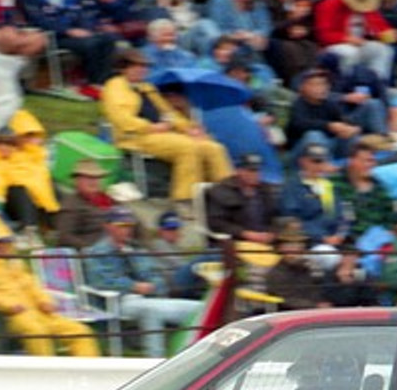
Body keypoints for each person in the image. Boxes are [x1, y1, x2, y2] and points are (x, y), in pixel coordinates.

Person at [99, 49, 233, 202]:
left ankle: (227, 194)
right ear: (124, 68)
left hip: (162, 132)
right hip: (137, 137)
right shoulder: (115, 87)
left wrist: (190, 128)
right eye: (137, 66)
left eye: (144, 66)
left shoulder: (147, 88)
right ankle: (185, 199)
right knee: (188, 148)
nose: (142, 70)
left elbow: (169, 113)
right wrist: (150, 127)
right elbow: (122, 120)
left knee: (213, 147)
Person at [0, 215, 99, 357]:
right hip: (13, 315)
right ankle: (45, 373)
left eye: (7, 241)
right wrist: (8, 305)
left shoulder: (13, 261)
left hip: (39, 311)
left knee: (80, 331)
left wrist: (45, 301)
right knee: (37, 333)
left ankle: (89, 372)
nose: (3, 245)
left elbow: (31, 283)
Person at [81, 206, 200, 358]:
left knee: (199, 308)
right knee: (152, 311)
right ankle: (155, 361)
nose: (127, 230)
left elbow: (154, 273)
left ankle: (187, 355)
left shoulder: (135, 249)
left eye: (129, 226)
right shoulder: (95, 253)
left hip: (149, 298)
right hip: (119, 301)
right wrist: (133, 286)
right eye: (121, 226)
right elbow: (100, 282)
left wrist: (154, 285)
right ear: (107, 226)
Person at [24, 0, 116, 94]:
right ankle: (94, 82)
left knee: (107, 39)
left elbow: (82, 15)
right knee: (90, 44)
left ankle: (103, 82)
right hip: (53, 36)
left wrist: (86, 29)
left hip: (77, 35)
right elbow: (38, 20)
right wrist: (67, 30)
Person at [205, 151, 282, 268]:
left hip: (267, 241)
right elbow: (215, 222)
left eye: (257, 170)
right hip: (237, 242)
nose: (255, 174)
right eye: (250, 170)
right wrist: (245, 234)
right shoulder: (221, 191)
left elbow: (276, 215)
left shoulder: (266, 190)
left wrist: (272, 233)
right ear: (239, 171)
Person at [314, 0, 396, 84]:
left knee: (384, 50)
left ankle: (378, 83)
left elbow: (381, 26)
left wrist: (390, 35)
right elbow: (323, 34)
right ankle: (348, 84)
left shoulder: (368, 7)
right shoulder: (329, 5)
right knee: (350, 53)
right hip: (334, 45)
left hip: (361, 43)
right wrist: (346, 39)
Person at [279, 143, 349, 260]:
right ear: (303, 161)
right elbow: (292, 221)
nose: (319, 166)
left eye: (322, 162)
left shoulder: (330, 186)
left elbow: (343, 216)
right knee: (328, 256)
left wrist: (340, 235)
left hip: (336, 242)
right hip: (307, 244)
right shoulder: (292, 187)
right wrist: (321, 237)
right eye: (315, 162)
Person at [331, 141, 395, 241]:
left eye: (373, 161)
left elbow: (390, 220)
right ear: (351, 161)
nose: (371, 165)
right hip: (344, 241)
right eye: (366, 161)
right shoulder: (334, 184)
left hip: (376, 243)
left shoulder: (380, 189)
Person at [265, 220, 325, 309]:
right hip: (288, 313)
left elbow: (317, 290)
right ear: (281, 248)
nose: (295, 250)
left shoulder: (309, 267)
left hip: (313, 310)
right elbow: (285, 300)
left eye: (299, 245)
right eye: (289, 246)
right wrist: (314, 306)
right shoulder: (276, 273)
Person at [56, 159, 114, 252]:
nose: (94, 182)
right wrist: (89, 248)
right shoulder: (71, 205)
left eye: (97, 178)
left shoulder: (109, 200)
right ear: (77, 181)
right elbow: (65, 237)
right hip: (90, 253)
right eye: (89, 178)